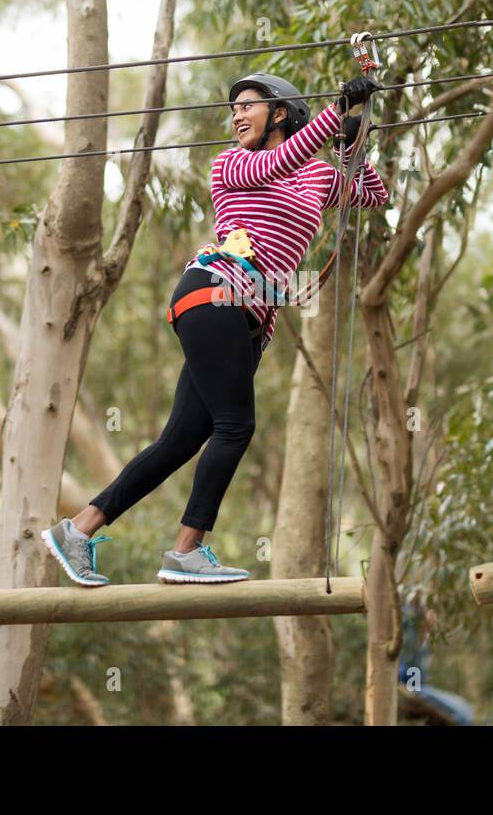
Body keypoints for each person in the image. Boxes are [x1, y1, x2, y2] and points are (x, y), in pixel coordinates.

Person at [44, 71, 390, 586]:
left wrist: (352, 142)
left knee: (182, 439)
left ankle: (79, 528)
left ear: (280, 114)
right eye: (233, 110)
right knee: (236, 425)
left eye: (247, 106)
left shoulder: (316, 176)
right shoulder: (233, 164)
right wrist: (336, 114)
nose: (236, 116)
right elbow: (282, 159)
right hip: (216, 292)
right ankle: (187, 550)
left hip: (248, 321)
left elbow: (373, 194)